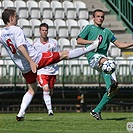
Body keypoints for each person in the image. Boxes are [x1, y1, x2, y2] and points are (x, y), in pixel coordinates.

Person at [0, 8, 100, 121]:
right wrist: (31, 61)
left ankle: (20, 114)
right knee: (64, 54)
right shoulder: (16, 30)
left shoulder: (2, 33)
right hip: (36, 59)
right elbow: (20, 46)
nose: (17, 18)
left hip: (23, 67)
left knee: (32, 89)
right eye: (16, 16)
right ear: (11, 18)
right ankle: (92, 47)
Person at [77, 9, 133, 120]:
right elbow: (79, 40)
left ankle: (96, 110)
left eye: (102, 17)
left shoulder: (107, 32)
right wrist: (92, 43)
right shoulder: (89, 28)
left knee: (114, 89)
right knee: (107, 61)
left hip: (103, 60)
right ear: (93, 18)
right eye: (98, 16)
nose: (100, 18)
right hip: (93, 57)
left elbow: (120, 45)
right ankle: (108, 88)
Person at [33, 23, 60, 116]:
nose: (44, 32)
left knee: (50, 90)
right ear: (39, 31)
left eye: (46, 30)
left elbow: (58, 55)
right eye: (42, 30)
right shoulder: (35, 44)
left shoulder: (53, 43)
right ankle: (50, 110)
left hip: (52, 70)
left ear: (47, 31)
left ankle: (46, 101)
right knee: (45, 88)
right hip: (41, 71)